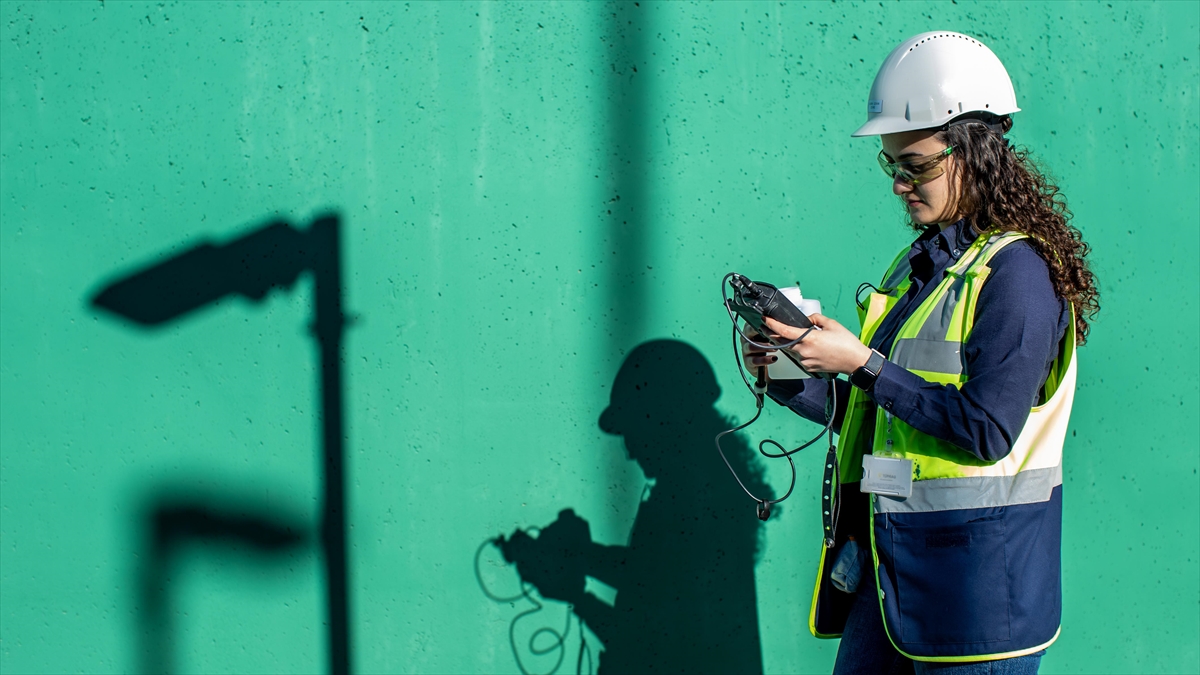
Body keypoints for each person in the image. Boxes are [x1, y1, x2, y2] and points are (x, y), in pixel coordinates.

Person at [742, 31, 1099, 674]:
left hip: (977, 598)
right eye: (892, 167)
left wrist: (862, 362)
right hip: (893, 575)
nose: (900, 185)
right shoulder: (923, 266)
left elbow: (986, 429)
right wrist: (791, 372)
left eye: (916, 166)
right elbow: (880, 412)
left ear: (978, 152)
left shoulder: (1017, 274)